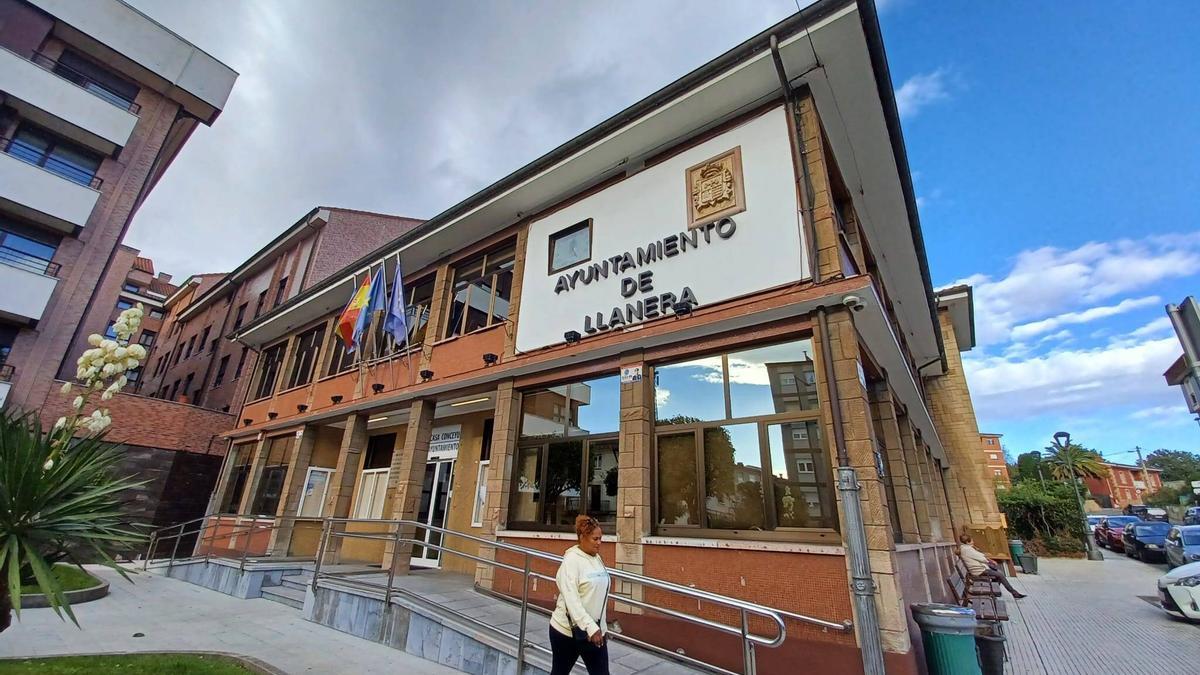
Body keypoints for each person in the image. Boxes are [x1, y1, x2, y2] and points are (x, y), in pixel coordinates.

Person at [549, 514, 610, 675]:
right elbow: (572, 600)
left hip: (594, 633)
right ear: (582, 537)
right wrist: (590, 627)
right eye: (595, 539)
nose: (599, 543)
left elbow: (598, 596)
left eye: (600, 538)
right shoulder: (571, 561)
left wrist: (601, 628)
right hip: (566, 632)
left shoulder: (596, 558)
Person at [959, 533, 1026, 599]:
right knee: (1000, 575)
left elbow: (980, 556)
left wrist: (989, 560)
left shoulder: (966, 548)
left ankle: (996, 592)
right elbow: (981, 558)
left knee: (999, 573)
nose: (973, 542)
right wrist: (991, 561)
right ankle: (1013, 593)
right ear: (967, 542)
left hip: (980, 568)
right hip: (979, 571)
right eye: (972, 540)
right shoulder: (967, 549)